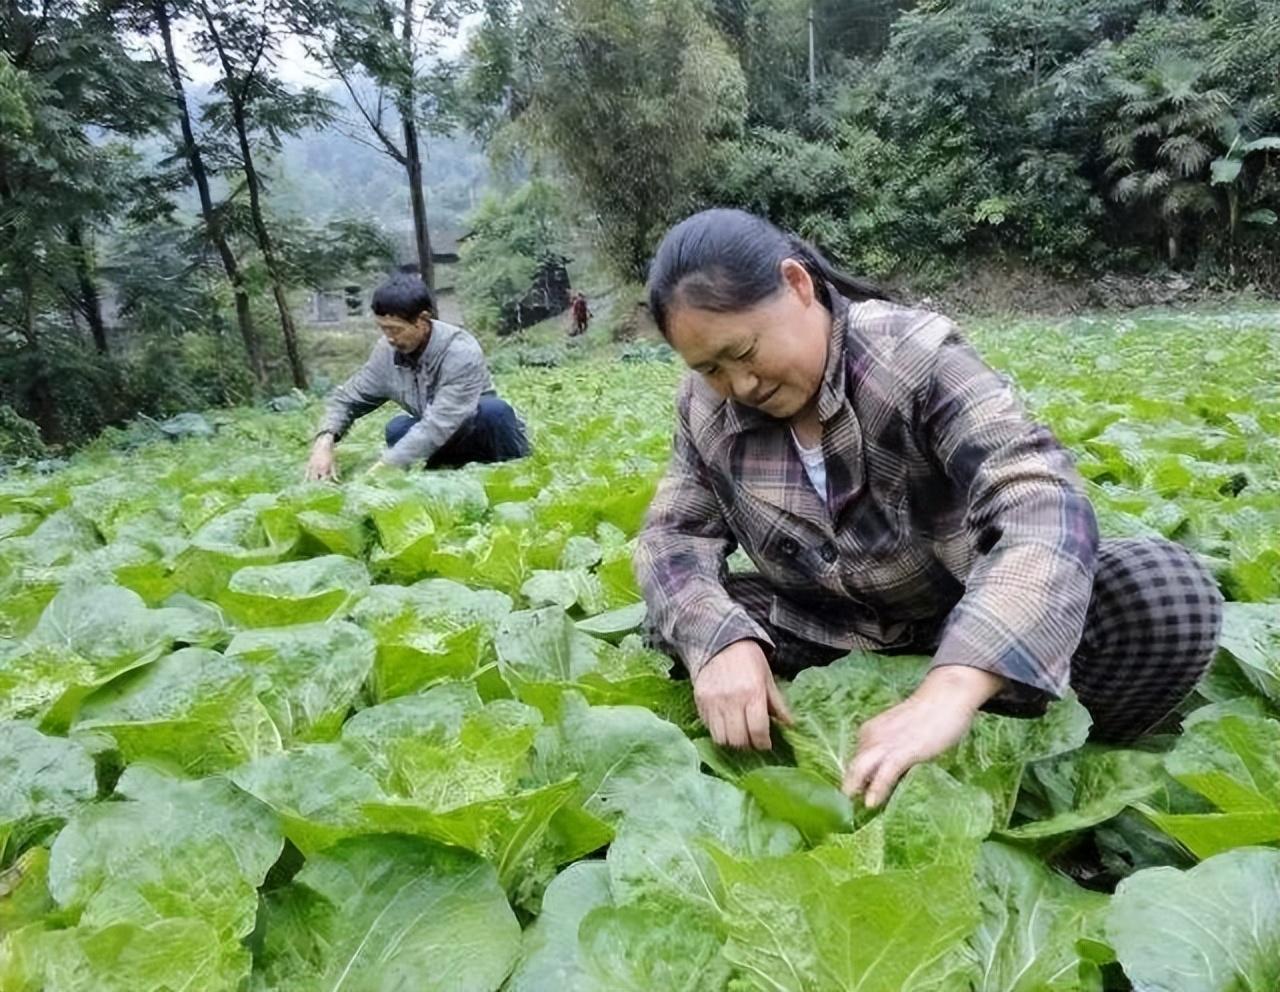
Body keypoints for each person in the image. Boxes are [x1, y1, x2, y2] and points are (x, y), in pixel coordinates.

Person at [633, 208, 1223, 810]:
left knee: (1164, 594)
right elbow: (673, 538)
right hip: (831, 629)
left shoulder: (913, 357)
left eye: (744, 351)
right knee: (675, 623)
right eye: (710, 369)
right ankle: (859, 738)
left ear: (798, 285)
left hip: (962, 614)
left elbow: (1040, 502)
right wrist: (720, 642)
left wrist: (956, 682)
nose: (741, 385)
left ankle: (1018, 759)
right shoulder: (705, 410)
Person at [305, 273, 529, 481]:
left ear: (422, 321)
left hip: (475, 432)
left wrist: (383, 468)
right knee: (397, 428)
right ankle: (443, 476)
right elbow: (348, 398)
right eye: (384, 329)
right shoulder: (386, 352)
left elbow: (442, 422)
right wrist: (325, 440)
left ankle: (518, 473)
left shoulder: (460, 351)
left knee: (495, 411)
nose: (389, 338)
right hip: (440, 441)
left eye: (396, 329)